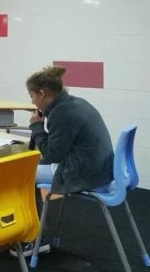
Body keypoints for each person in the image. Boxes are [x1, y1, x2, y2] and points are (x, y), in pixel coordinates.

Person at [14, 66, 115, 256]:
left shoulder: (62, 114)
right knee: (31, 166)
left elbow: (53, 155)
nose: (32, 101)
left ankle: (34, 238)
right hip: (99, 170)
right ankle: (32, 232)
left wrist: (37, 127)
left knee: (22, 175)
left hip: (85, 174)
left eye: (32, 96)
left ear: (42, 94)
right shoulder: (74, 103)